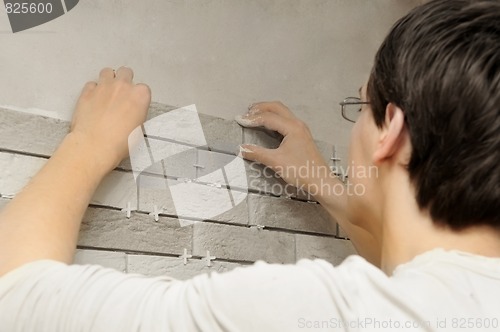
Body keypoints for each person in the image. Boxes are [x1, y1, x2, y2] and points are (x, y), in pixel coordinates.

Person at [0, 0, 499, 330]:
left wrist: (88, 143)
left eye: (358, 107)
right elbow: (412, 259)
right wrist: (325, 185)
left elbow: (15, 293)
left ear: (391, 129)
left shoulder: (314, 312)